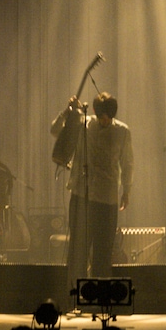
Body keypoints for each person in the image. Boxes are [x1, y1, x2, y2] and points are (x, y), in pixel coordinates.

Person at [51, 92, 134, 300]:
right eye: (101, 116)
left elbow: (128, 163)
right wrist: (68, 112)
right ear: (96, 113)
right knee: (78, 248)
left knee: (103, 251)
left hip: (107, 198)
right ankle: (73, 295)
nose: (105, 120)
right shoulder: (83, 124)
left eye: (108, 116)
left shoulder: (122, 132)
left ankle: (99, 296)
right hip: (81, 195)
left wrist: (127, 190)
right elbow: (55, 131)